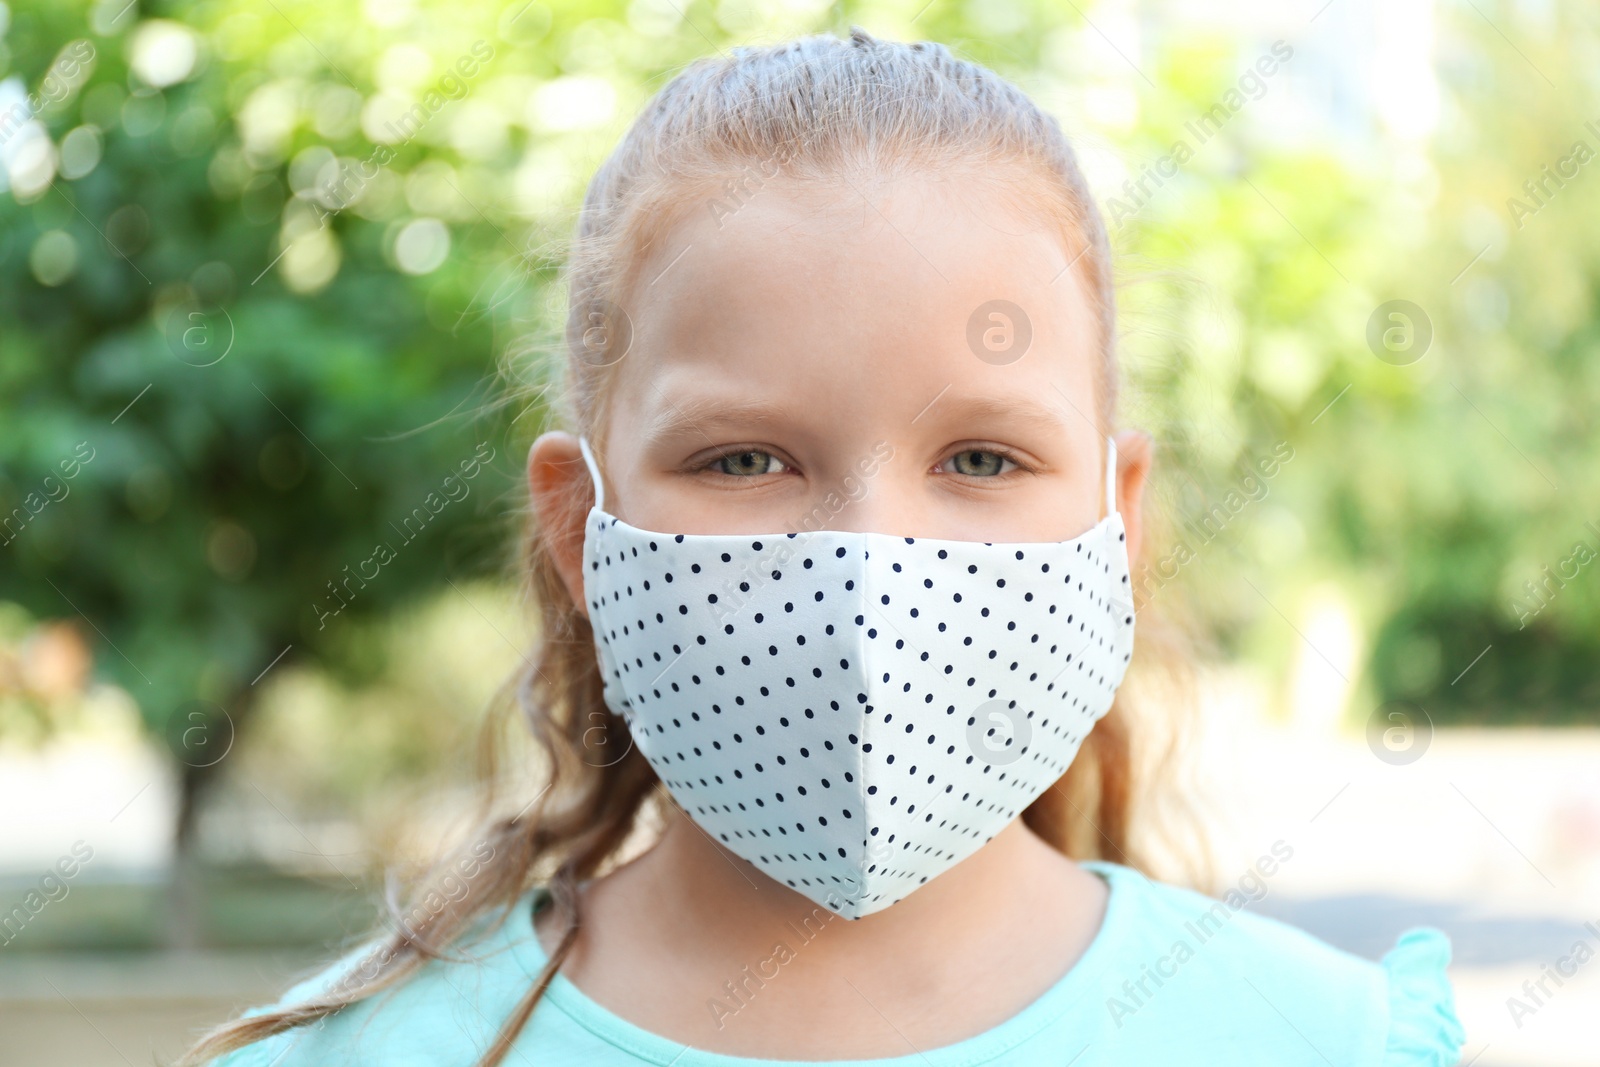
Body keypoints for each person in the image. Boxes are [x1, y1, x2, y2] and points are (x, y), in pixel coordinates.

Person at [186, 28, 1465, 1067]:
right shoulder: (358, 1054)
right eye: (743, 459)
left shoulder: (1324, 1041)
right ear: (583, 528)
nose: (870, 581)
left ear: (1116, 522)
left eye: (980, 459)